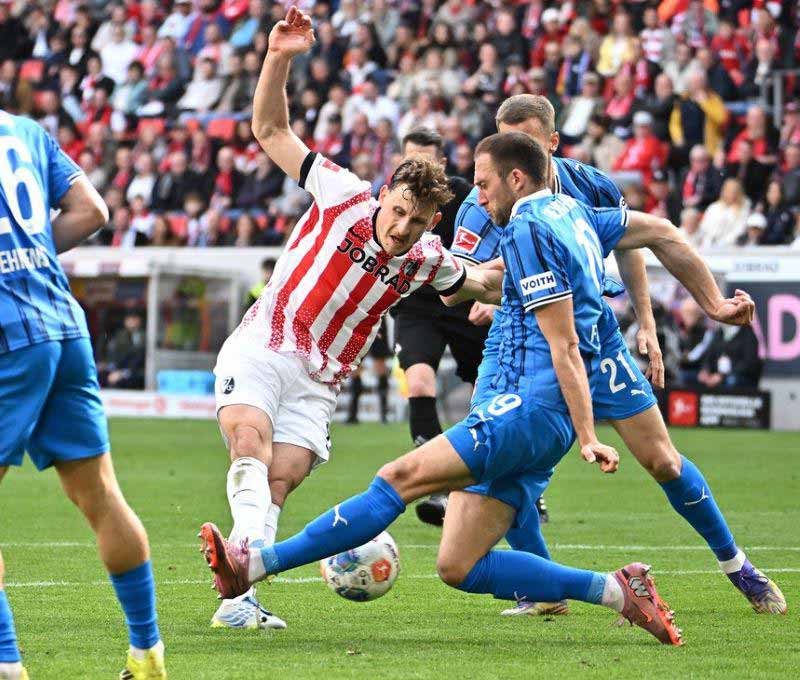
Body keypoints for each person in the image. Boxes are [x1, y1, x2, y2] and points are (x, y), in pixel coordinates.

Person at [199, 130, 686, 647]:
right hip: (546, 420)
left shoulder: (529, 226)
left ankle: (251, 565)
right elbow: (660, 231)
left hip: (527, 408)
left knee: (398, 478)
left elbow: (562, 344)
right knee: (460, 565)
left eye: (483, 185)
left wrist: (589, 433)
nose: (478, 198)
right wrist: (713, 303)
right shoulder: (575, 217)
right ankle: (618, 590)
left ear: (515, 179)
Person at [451, 94, 783, 618]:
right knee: (501, 467)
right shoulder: (480, 201)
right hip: (522, 348)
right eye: (505, 141)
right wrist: (499, 288)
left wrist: (659, 318)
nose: (513, 157)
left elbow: (638, 243)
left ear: (550, 145)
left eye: (527, 143)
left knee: (663, 460)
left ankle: (738, 566)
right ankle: (546, 589)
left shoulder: (587, 186)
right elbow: (456, 287)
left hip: (596, 338)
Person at [200, 7, 466, 631]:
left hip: (321, 380)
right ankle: (239, 574)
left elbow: (478, 281)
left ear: (431, 224)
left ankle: (239, 597)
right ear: (386, 194)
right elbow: (269, 127)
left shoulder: (428, 259)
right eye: (399, 211)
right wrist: (280, 56)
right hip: (266, 342)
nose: (403, 229)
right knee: (249, 446)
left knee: (282, 481)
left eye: (418, 222)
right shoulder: (342, 191)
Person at [0, 111, 165, 679]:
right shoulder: (22, 129)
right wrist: (31, 252)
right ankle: (147, 655)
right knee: (100, 495)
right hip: (61, 321)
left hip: (5, 333)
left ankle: (7, 665)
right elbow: (93, 211)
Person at [388, 127, 488, 526]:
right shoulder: (392, 198)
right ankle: (436, 485)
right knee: (420, 383)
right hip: (417, 304)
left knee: (489, 392)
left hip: (464, 297)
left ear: (443, 164)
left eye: (427, 160)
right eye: (411, 160)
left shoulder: (467, 196)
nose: (420, 168)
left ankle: (511, 485)